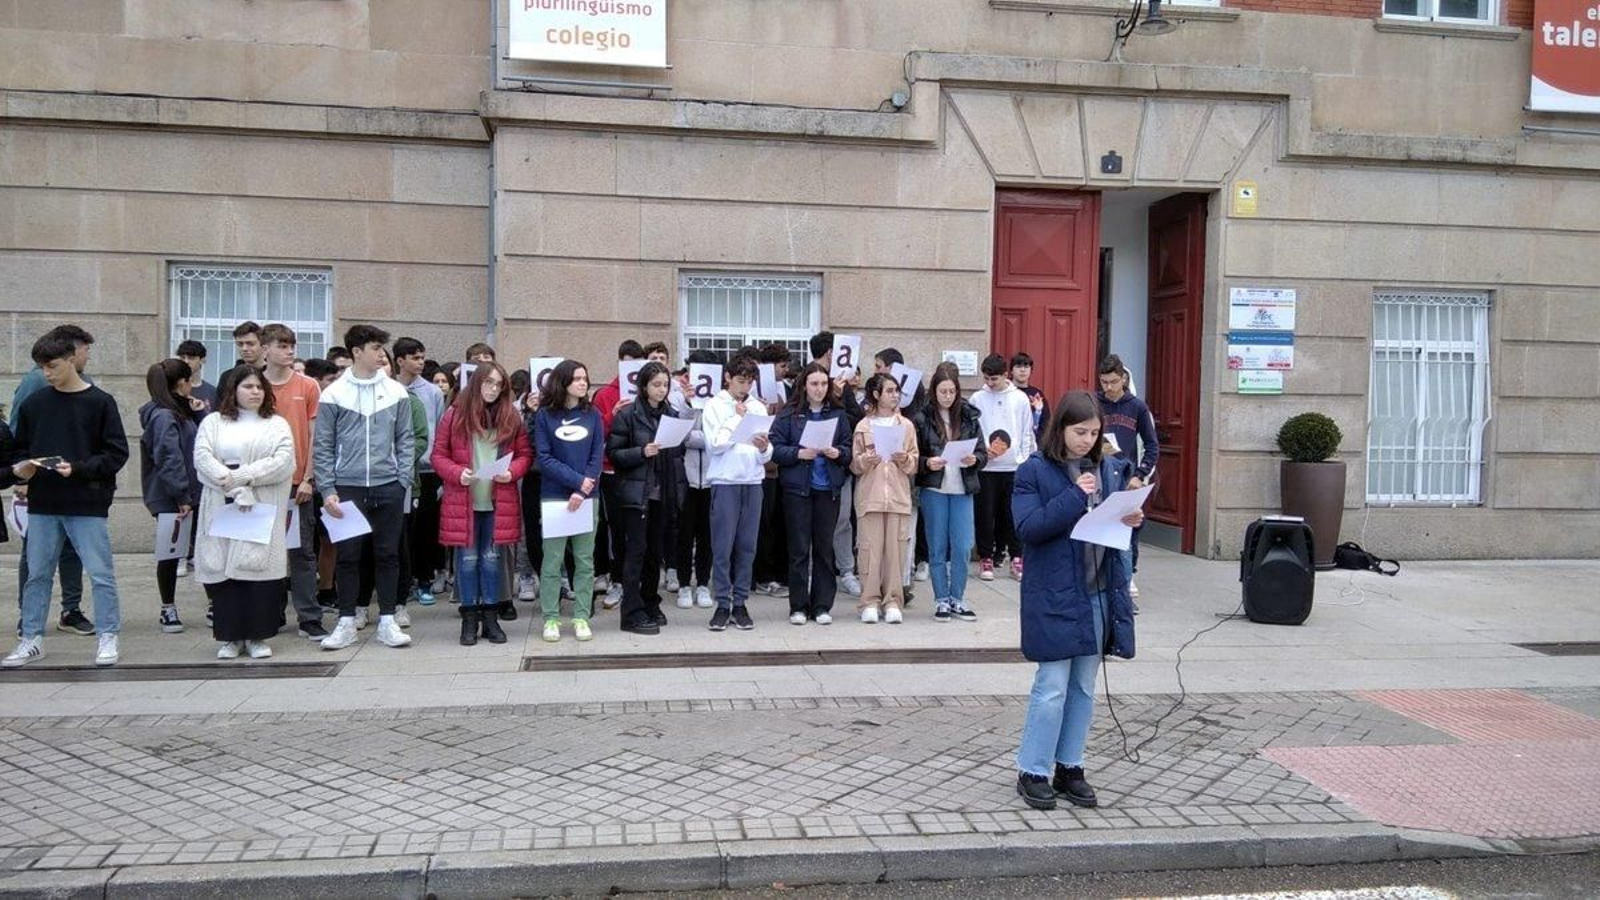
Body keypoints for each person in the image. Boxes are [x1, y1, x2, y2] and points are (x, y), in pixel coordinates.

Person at [1012, 390, 1143, 811]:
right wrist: (1074, 496)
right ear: (1061, 429)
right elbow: (1029, 527)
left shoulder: (1107, 468)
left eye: (1094, 433)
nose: (1087, 441)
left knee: (1084, 687)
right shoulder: (1034, 471)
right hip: (1053, 592)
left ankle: (1070, 766)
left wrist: (1129, 516)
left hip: (1097, 591)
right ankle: (1033, 769)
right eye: (1079, 432)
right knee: (1051, 686)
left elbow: (1106, 524)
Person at [4, 331, 129, 668]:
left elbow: (117, 452)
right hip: (44, 501)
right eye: (42, 367)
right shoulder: (35, 403)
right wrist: (23, 469)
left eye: (53, 365)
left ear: (72, 359)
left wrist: (79, 469)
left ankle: (107, 634)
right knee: (37, 574)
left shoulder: (100, 402)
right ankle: (31, 638)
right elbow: (20, 448)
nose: (47, 373)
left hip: (86, 502)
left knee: (100, 572)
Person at [313, 325, 414, 651]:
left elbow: (406, 439)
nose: (381, 354)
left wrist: (402, 481)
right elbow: (324, 445)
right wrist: (327, 489)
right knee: (348, 556)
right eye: (375, 348)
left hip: (388, 486)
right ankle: (346, 622)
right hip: (347, 487)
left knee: (388, 555)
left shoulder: (396, 391)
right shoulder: (333, 394)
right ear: (356, 351)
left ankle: (387, 620)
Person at [192, 365, 297, 660]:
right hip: (223, 501)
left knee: (257, 569)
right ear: (233, 390)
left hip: (259, 503)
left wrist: (243, 477)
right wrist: (230, 483)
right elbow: (202, 457)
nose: (255, 392)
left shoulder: (276, 424)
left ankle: (257, 636)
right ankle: (229, 636)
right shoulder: (214, 422)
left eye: (259, 387)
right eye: (248, 387)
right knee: (224, 570)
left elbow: (283, 461)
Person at [432, 362, 532, 646]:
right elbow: (438, 455)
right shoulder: (455, 415)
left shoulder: (510, 415)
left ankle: (491, 616)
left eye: (499, 384)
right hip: (464, 499)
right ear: (476, 383)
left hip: (497, 499)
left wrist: (511, 472)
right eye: (488, 382)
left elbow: (525, 454)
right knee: (467, 560)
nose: (493, 389)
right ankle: (469, 617)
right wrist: (456, 472)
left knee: (491, 560)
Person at [9, 324, 95, 637]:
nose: (87, 356)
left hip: (75, 481)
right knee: (35, 553)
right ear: (72, 352)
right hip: (41, 483)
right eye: (85, 350)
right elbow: (19, 428)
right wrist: (23, 476)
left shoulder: (88, 384)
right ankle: (27, 615)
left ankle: (70, 609)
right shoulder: (36, 381)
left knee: (73, 549)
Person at [607, 362, 688, 635]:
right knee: (636, 552)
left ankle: (651, 601)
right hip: (636, 494)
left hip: (663, 493)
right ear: (643, 386)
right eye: (656, 384)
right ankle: (631, 611)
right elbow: (615, 454)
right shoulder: (628, 414)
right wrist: (642, 451)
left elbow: (679, 453)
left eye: (665, 385)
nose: (661, 389)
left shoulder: (672, 414)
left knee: (656, 552)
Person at [770, 362, 852, 625]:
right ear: (804, 385)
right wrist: (797, 453)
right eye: (814, 384)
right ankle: (798, 606)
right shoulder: (789, 415)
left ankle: (822, 605)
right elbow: (775, 449)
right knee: (798, 549)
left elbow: (848, 448)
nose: (819, 389)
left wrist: (838, 453)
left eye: (824, 384)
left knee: (824, 550)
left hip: (827, 489)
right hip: (797, 490)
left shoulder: (838, 415)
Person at [259, 324, 327, 639]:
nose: (289, 351)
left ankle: (308, 616)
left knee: (301, 553)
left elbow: (315, 436)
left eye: (291, 345)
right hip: (261, 483)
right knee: (266, 551)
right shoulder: (253, 386)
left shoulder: (308, 385)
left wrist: (309, 478)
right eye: (282, 345)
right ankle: (269, 615)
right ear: (265, 349)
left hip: (297, 482)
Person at [533, 359, 604, 642]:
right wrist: (576, 482)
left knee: (585, 560)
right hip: (555, 496)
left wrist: (583, 489)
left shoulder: (593, 414)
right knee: (552, 561)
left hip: (588, 496)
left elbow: (596, 454)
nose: (583, 383)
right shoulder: (545, 416)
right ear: (563, 382)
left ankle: (581, 616)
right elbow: (544, 457)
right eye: (576, 378)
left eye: (585, 378)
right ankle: (551, 617)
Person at [701, 356, 772, 632]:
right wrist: (736, 418)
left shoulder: (757, 406)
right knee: (722, 546)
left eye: (750, 382)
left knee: (747, 546)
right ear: (727, 378)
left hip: (753, 481)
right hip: (725, 481)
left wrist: (765, 447)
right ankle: (722, 602)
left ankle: (740, 602)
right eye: (741, 381)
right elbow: (716, 445)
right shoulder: (714, 406)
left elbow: (766, 454)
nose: (745, 387)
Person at [914, 364, 987, 623]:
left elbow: (982, 451)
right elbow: (915, 454)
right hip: (935, 486)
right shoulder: (922, 417)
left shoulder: (968, 415)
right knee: (937, 546)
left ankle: (958, 597)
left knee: (962, 544)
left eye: (952, 391)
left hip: (962, 486)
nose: (947, 396)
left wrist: (974, 459)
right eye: (942, 391)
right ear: (934, 391)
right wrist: (926, 463)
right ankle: (941, 599)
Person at [138, 359, 201, 635]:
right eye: (189, 380)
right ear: (181, 383)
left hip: (180, 493)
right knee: (171, 552)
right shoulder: (164, 416)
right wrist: (182, 495)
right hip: (172, 497)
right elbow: (170, 456)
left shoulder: (174, 411)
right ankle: (168, 607)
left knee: (184, 550)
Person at [849, 374, 918, 624]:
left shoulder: (906, 426)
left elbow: (913, 463)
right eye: (889, 390)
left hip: (898, 497)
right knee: (869, 551)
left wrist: (904, 459)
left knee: (895, 552)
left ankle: (893, 600)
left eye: (896, 390)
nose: (895, 395)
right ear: (876, 395)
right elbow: (855, 465)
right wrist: (863, 461)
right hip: (871, 497)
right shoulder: (863, 426)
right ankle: (869, 600)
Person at [1097, 355, 1159, 600]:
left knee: (1129, 528)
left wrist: (1140, 474)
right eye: (1103, 382)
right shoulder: (1094, 402)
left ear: (1123, 378)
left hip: (1127, 477)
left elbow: (1152, 446)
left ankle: (1127, 575)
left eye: (1113, 381)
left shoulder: (1137, 407)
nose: (1108, 387)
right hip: (1100, 472)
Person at [971, 353, 1036, 582]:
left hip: (1013, 467)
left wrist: (1025, 459)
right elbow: (973, 430)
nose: (990, 383)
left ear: (1005, 375)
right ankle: (986, 556)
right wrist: (981, 451)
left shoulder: (1019, 399)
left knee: (1013, 514)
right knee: (985, 515)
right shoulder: (977, 399)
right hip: (987, 468)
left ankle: (1017, 557)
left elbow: (1027, 431)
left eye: (995, 379)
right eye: (987, 379)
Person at [394, 337, 447, 607]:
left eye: (422, 357)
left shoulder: (432, 392)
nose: (420, 362)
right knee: (402, 529)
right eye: (414, 358)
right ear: (400, 360)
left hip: (426, 470)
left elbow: (439, 429)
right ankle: (403, 582)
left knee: (426, 528)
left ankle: (424, 580)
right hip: (396, 470)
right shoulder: (389, 389)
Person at [810, 331, 863, 598]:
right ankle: (812, 572)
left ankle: (847, 571)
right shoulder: (807, 380)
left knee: (843, 521)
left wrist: (842, 396)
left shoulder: (845, 387)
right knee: (809, 523)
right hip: (808, 468)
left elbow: (857, 420)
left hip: (837, 466)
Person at [592, 339, 645, 611]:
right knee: (611, 526)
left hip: (637, 470)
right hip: (610, 469)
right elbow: (595, 433)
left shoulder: (648, 392)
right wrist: (613, 416)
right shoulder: (604, 395)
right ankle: (613, 577)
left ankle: (629, 581)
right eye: (626, 362)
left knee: (632, 529)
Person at [673, 349, 717, 611]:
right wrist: (689, 407)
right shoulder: (679, 398)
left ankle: (702, 583)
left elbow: (718, 438)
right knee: (684, 534)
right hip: (686, 479)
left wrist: (701, 441)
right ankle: (682, 584)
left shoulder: (721, 401)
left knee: (707, 535)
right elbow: (680, 436)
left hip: (712, 478)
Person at [1010, 352, 1050, 439]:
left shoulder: (1037, 395)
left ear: (1031, 370)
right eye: (1018, 366)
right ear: (1011, 371)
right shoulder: (1006, 392)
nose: (1022, 370)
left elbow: (1045, 422)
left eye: (1026, 366)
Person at [176, 339, 219, 413]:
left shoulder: (212, 392)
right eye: (183, 358)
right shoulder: (173, 388)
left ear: (202, 360)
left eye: (191, 358)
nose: (186, 361)